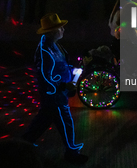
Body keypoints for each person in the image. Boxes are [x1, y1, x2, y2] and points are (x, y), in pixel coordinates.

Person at [22, 13, 88, 164]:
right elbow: (45, 76)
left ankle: (23, 144)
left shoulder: (53, 44)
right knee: (66, 122)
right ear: (52, 32)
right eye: (60, 28)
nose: (63, 29)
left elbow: (60, 65)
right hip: (55, 96)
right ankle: (72, 153)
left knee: (43, 120)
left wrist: (72, 70)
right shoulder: (45, 50)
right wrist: (64, 85)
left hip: (56, 94)